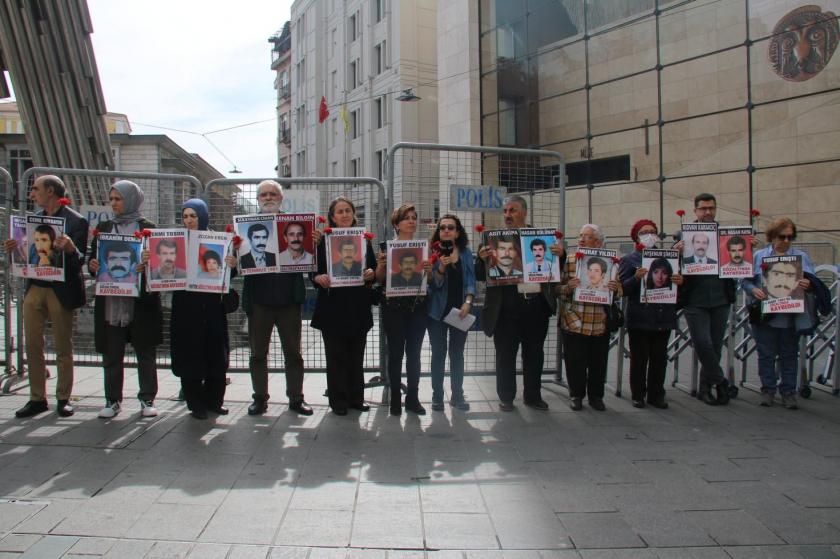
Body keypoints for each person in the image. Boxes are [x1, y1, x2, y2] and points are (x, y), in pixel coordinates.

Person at [5, 175, 87, 418]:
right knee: (32, 343)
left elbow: (80, 260)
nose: (32, 194)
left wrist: (72, 249)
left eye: (36, 189)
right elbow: (24, 256)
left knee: (63, 345)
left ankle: (63, 398)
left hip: (60, 290)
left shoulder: (75, 221)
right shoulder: (33, 221)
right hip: (35, 287)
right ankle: (37, 397)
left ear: (50, 191)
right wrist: (13, 249)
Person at [476, 195, 562, 411]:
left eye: (512, 210)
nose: (507, 215)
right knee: (505, 355)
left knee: (534, 354)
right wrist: (481, 259)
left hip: (535, 307)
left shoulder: (542, 239)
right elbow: (479, 275)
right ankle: (506, 397)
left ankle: (532, 396)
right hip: (505, 310)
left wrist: (561, 254)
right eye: (505, 211)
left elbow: (555, 270)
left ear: (524, 212)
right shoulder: (492, 241)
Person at [88, 180, 162, 419]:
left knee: (145, 352)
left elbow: (160, 267)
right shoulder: (104, 227)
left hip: (140, 302)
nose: (113, 203)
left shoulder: (148, 227)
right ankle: (112, 400)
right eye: (111, 199)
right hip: (112, 301)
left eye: (118, 199)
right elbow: (93, 259)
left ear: (131, 200)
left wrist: (148, 265)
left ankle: (147, 398)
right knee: (112, 353)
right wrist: (93, 266)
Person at [240, 180, 313, 416]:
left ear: (281, 199)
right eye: (263, 195)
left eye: (273, 194)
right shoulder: (245, 226)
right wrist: (234, 252)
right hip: (259, 302)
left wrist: (315, 243)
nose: (268, 197)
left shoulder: (294, 226)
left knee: (293, 353)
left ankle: (296, 399)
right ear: (258, 199)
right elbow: (235, 267)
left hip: (288, 301)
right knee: (258, 354)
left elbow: (308, 260)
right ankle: (259, 398)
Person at [170, 199, 236, 419]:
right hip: (186, 308)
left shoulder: (217, 240)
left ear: (203, 216)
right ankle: (195, 402)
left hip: (212, 308)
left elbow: (226, 275)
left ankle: (215, 400)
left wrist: (231, 264)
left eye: (193, 216)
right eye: (185, 216)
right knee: (190, 353)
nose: (189, 220)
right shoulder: (176, 241)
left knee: (216, 352)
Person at [311, 196, 377, 415]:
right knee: (336, 356)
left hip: (357, 306)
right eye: (339, 211)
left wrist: (371, 273)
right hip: (332, 307)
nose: (345, 214)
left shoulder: (363, 240)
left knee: (356, 356)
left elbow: (373, 270)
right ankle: (338, 400)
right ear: (332, 217)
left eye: (348, 210)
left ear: (353, 214)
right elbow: (313, 270)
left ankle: (356, 398)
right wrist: (318, 277)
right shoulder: (322, 241)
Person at [743, 217, 813, 409]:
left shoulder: (801, 257)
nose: (786, 241)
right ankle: (768, 390)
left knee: (789, 354)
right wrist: (752, 290)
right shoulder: (759, 256)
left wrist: (809, 284)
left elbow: (813, 283)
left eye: (790, 237)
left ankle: (788, 392)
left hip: (790, 315)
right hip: (765, 314)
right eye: (782, 237)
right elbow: (745, 281)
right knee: (765, 354)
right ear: (772, 237)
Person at [675, 193, 737, 406]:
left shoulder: (726, 235)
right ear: (696, 211)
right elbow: (676, 267)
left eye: (711, 208)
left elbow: (737, 260)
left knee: (716, 346)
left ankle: (705, 388)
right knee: (703, 342)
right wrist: (679, 253)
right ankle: (721, 381)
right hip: (695, 299)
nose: (708, 212)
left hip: (721, 298)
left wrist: (747, 247)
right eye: (703, 208)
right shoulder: (683, 235)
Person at [619, 219, 683, 409]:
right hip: (640, 316)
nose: (649, 235)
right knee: (639, 359)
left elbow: (676, 288)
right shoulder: (629, 259)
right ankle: (638, 393)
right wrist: (636, 278)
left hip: (663, 316)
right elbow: (623, 288)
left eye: (652, 231)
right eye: (644, 231)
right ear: (636, 236)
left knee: (659, 358)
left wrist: (679, 281)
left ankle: (656, 394)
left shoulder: (669, 257)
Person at [558, 223, 622, 411]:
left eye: (586, 236)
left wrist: (615, 289)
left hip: (599, 323)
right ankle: (576, 395)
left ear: (599, 242)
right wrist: (568, 287)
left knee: (598, 363)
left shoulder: (611, 262)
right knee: (574, 362)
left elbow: (620, 290)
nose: (581, 239)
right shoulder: (570, 260)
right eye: (580, 235)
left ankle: (596, 397)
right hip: (574, 321)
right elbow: (556, 289)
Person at [374, 204, 430, 416]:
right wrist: (380, 266)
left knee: (414, 354)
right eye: (406, 218)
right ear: (396, 224)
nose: (411, 221)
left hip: (417, 306)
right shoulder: (386, 248)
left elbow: (430, 280)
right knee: (395, 353)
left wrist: (429, 270)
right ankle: (395, 399)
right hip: (394, 307)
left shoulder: (424, 248)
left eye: (414, 217)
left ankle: (413, 398)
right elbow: (379, 279)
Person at [427, 214, 476, 412]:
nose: (446, 230)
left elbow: (471, 281)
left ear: (457, 232)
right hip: (437, 313)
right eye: (442, 227)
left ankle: (457, 395)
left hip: (460, 312)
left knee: (457, 354)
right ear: (438, 232)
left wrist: (468, 302)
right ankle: (437, 396)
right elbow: (433, 285)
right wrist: (440, 268)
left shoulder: (465, 253)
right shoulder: (432, 253)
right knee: (438, 354)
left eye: (451, 227)